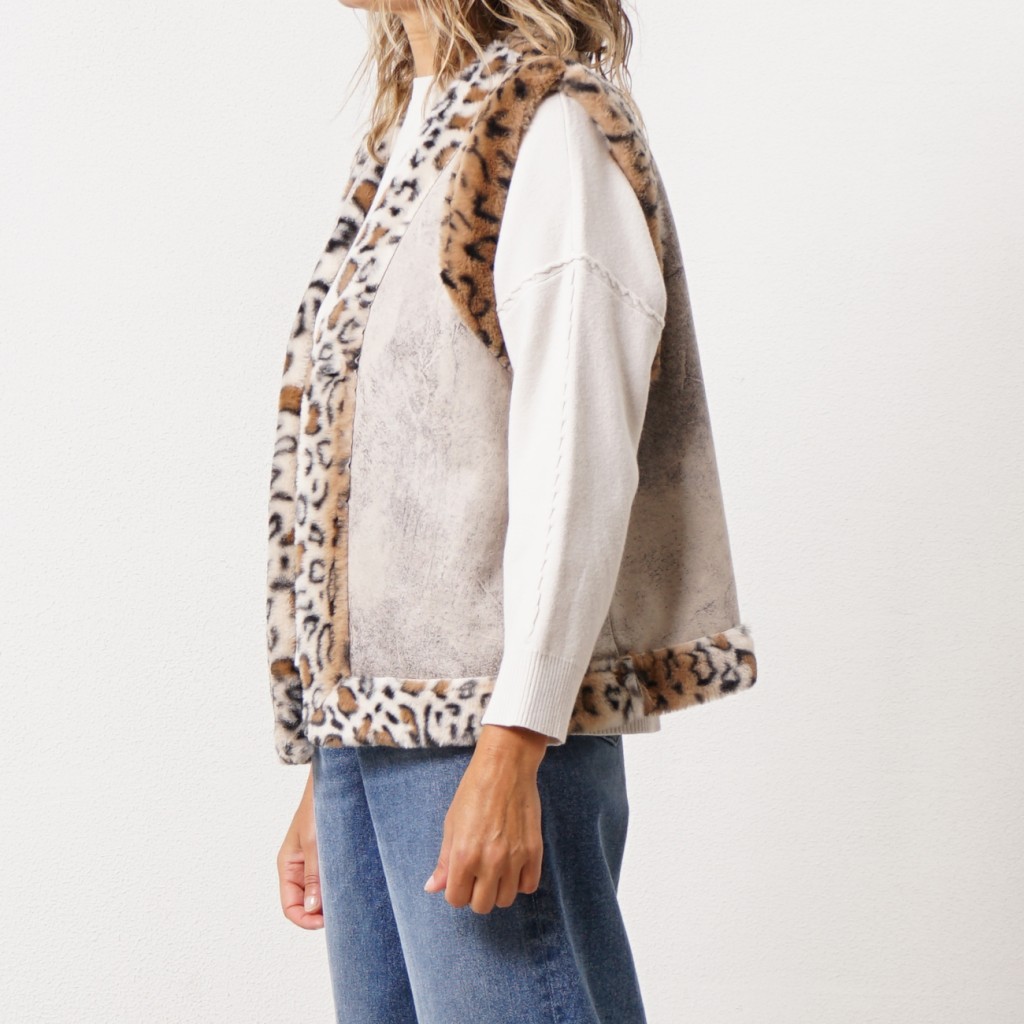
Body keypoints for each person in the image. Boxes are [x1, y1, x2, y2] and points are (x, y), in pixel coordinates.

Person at [266, 3, 758, 1022]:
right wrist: (333, 760)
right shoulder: (416, 133)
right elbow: (384, 483)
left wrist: (515, 742)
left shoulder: (547, 125)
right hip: (378, 737)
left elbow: (578, 456)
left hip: (491, 732)